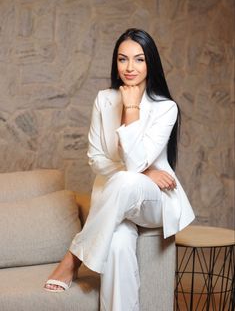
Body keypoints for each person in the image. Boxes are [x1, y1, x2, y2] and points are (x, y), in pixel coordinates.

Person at [44, 28, 195, 310]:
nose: (129, 67)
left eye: (139, 59)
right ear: (115, 62)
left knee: (127, 180)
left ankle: (72, 259)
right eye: (122, 59)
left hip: (153, 201)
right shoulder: (103, 99)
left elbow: (134, 162)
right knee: (116, 245)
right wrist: (147, 171)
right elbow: (96, 159)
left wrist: (132, 109)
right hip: (120, 196)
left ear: (150, 62)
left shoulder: (166, 108)